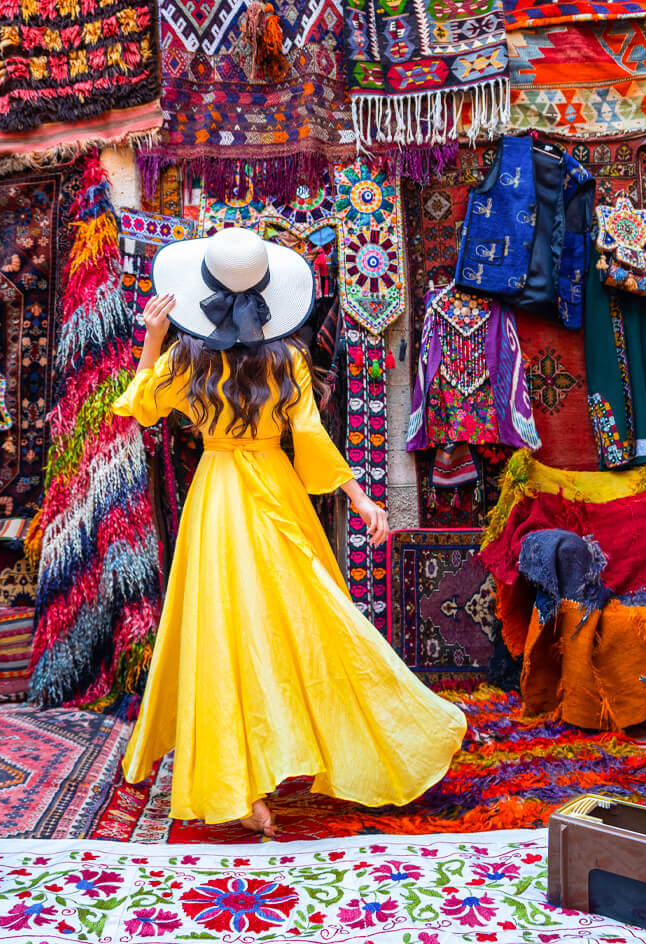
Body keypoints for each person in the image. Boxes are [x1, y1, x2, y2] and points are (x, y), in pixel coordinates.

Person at [113, 227, 468, 838]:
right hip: (276, 492)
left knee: (224, 632)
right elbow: (310, 437)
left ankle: (240, 783)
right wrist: (360, 498)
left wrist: (152, 338)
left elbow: (139, 407)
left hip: (218, 498)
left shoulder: (183, 357)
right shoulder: (289, 359)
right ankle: (386, 735)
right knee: (310, 618)